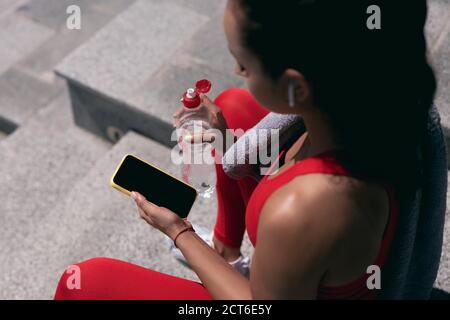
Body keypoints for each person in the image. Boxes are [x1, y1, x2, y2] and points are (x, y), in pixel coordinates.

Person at [54, 0, 436, 300]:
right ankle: (226, 250)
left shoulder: (303, 211)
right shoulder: (378, 95)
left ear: (296, 87)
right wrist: (227, 140)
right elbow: (287, 166)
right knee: (234, 106)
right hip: (301, 248)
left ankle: (225, 260)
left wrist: (178, 230)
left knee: (83, 283)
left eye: (245, 64)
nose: (237, 69)